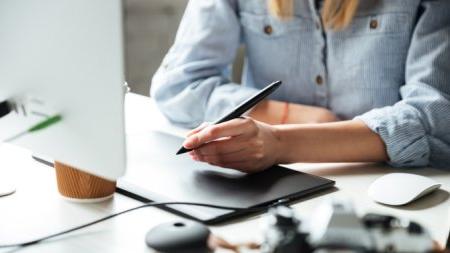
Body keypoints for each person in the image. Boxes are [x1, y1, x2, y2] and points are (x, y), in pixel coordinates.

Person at [151, 0, 450, 173]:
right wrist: (301, 118)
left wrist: (279, 143)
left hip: (390, 181)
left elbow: (436, 118)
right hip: (274, 183)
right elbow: (177, 85)